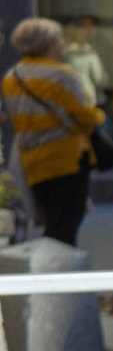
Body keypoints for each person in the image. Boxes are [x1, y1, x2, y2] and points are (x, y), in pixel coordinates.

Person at [4, 18, 106, 247]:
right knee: (66, 224)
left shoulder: (13, 76)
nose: (62, 45)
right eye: (58, 40)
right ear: (49, 44)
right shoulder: (60, 74)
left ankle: (51, 268)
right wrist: (99, 116)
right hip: (66, 158)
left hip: (31, 159)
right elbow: (85, 116)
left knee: (52, 220)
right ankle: (59, 272)